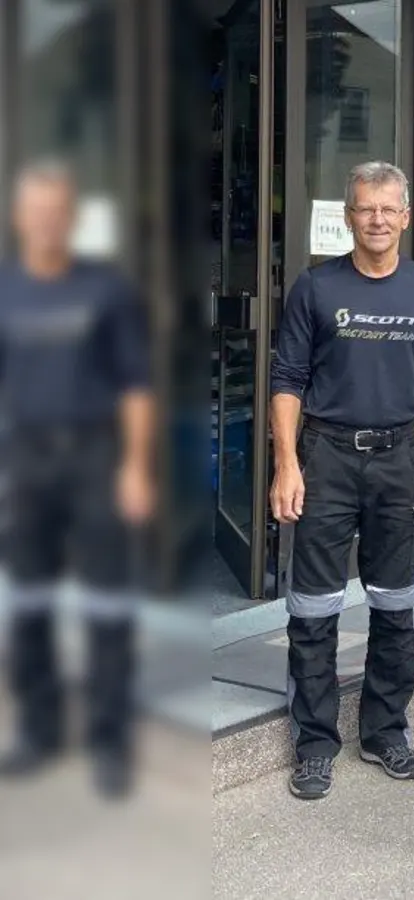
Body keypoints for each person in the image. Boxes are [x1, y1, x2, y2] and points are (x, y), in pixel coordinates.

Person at [268, 161, 414, 800]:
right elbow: (287, 380)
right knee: (314, 607)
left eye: (388, 209)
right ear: (348, 217)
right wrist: (287, 464)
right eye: (364, 208)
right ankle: (315, 743)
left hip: (397, 461)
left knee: (396, 602)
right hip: (324, 457)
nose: (376, 219)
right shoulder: (316, 288)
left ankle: (384, 734)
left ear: (405, 217)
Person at [0, 159, 154, 799]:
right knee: (28, 600)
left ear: (71, 218)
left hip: (95, 456)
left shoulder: (106, 290)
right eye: (35, 210)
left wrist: (136, 469)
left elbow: (136, 386)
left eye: (57, 210)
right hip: (25, 459)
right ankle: (40, 732)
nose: (46, 221)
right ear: (18, 218)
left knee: (107, 603)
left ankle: (110, 742)